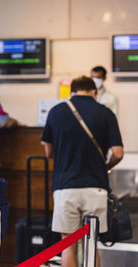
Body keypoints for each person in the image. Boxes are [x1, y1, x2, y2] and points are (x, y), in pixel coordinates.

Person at [41, 76, 124, 267]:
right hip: (95, 186)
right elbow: (118, 153)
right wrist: (106, 167)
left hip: (65, 186)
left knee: (67, 245)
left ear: (71, 92)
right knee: (90, 245)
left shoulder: (56, 112)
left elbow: (48, 151)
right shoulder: (105, 113)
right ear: (94, 92)